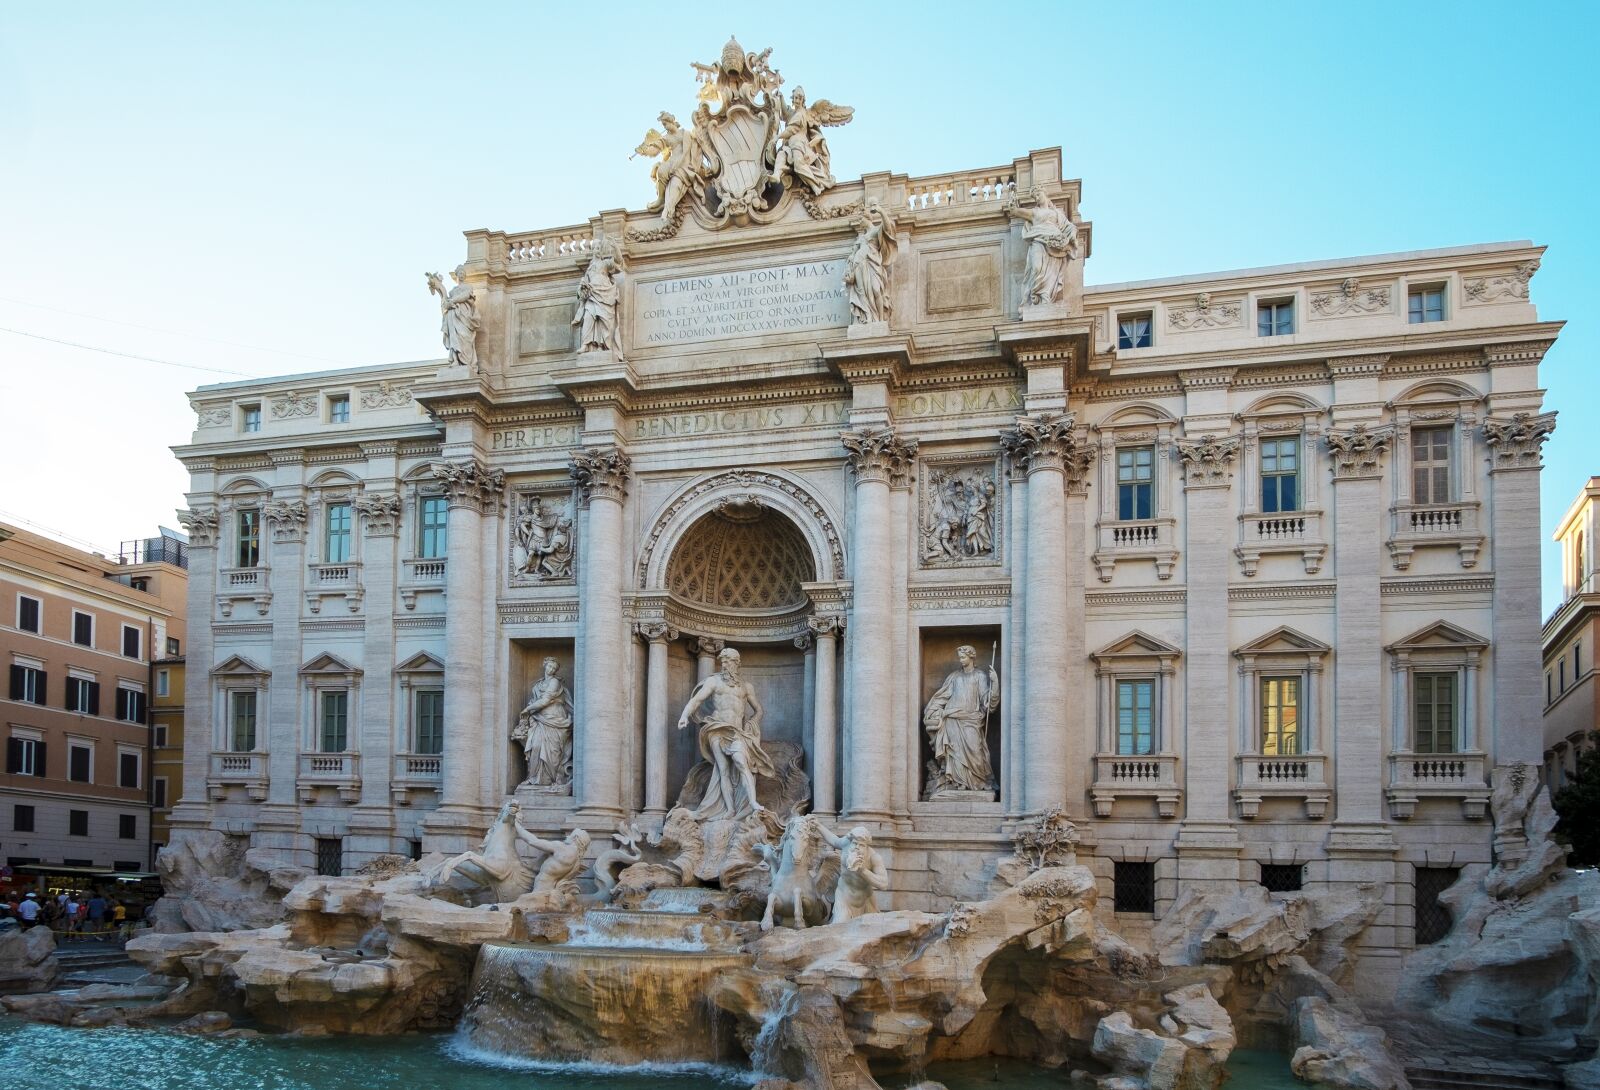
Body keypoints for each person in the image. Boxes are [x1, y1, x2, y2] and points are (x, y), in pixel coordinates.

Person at [676, 647, 775, 820]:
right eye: (723, 661)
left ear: (737, 663)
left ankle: (752, 803)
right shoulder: (714, 682)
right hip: (717, 728)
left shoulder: (746, 687)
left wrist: (753, 722)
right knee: (723, 770)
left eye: (728, 661)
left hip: (736, 731)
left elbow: (758, 709)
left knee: (741, 762)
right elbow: (697, 700)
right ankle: (730, 809)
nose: (724, 664)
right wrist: (684, 715)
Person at [922, 644, 1001, 795]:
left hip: (971, 719)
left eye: (963, 657)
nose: (961, 660)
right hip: (952, 718)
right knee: (954, 752)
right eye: (959, 657)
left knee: (975, 751)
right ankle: (957, 783)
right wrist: (933, 709)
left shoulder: (980, 676)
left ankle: (976, 782)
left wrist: (995, 683)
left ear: (971, 657)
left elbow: (987, 701)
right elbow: (943, 696)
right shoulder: (954, 677)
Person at [512, 658, 574, 788]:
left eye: (554, 668)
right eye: (549, 666)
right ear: (544, 666)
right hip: (539, 719)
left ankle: (550, 780)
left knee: (553, 750)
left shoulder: (555, 682)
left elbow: (545, 700)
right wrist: (531, 710)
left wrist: (528, 709)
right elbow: (535, 700)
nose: (551, 670)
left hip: (555, 718)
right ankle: (534, 778)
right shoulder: (538, 684)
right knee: (535, 746)